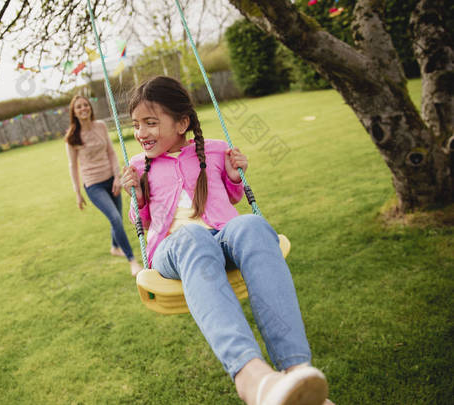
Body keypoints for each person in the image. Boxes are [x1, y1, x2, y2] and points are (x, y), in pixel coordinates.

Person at [121, 77, 332, 405]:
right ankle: (250, 376)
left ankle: (296, 375)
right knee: (191, 234)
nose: (141, 133)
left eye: (150, 123)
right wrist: (135, 195)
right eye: (136, 125)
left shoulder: (214, 150)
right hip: (174, 250)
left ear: (182, 122)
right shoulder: (139, 165)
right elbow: (142, 221)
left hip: (222, 236)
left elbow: (230, 197)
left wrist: (235, 177)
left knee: (252, 224)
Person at [64, 95, 143, 277]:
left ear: (90, 107)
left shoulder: (100, 126)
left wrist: (117, 177)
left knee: (116, 219)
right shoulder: (72, 137)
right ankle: (132, 260)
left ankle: (115, 247)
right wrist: (77, 193)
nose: (83, 109)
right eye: (79, 107)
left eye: (85, 105)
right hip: (93, 185)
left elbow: (111, 152)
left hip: (112, 179)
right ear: (74, 112)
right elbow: (73, 166)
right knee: (115, 218)